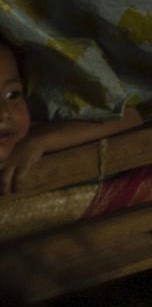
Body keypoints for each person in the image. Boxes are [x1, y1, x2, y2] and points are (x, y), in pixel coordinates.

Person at [0, 38, 142, 192]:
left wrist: (38, 141)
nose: (4, 113)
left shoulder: (32, 132)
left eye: (13, 94)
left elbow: (129, 117)